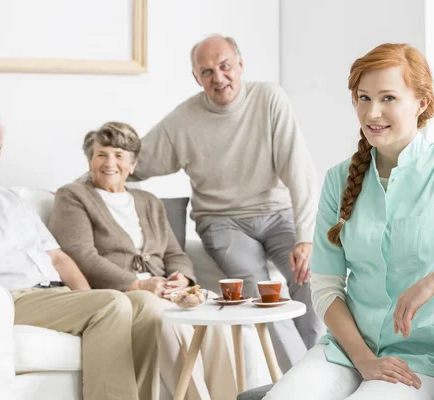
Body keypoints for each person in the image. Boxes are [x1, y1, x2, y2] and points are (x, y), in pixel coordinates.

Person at [263, 43, 434, 400]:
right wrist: (364, 360)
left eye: (388, 98)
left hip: (425, 360)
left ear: (421, 103)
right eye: (363, 98)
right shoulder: (339, 179)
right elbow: (327, 286)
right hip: (346, 351)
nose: (372, 112)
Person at [0, 109, 163, 400]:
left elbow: (58, 258)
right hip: (9, 300)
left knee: (143, 304)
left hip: (53, 295)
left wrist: (86, 297)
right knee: (112, 305)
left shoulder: (12, 200)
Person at [131, 34, 322, 371]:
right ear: (195, 77)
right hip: (221, 221)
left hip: (277, 214)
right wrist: (95, 178)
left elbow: (299, 170)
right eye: (206, 72)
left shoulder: (269, 99)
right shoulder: (183, 121)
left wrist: (306, 237)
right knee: (260, 293)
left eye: (225, 66)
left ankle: (318, 370)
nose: (218, 78)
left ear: (240, 65)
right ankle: (301, 383)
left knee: (311, 274)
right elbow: (135, 161)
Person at [48, 122, 238, 400]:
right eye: (101, 154)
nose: (109, 162)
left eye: (119, 155)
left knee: (215, 311)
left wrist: (182, 279)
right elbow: (82, 256)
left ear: (133, 164)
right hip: (122, 293)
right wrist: (139, 283)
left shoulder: (149, 201)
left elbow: (175, 254)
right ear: (90, 161)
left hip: (165, 289)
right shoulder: (73, 195)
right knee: (162, 317)